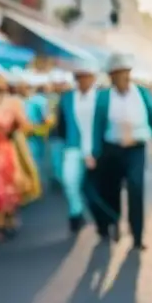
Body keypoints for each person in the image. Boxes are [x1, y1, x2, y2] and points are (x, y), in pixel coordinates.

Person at [91, 53, 152, 249]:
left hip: (136, 150)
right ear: (111, 77)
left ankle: (138, 236)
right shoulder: (104, 96)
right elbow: (97, 125)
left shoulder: (141, 92)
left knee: (136, 188)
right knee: (111, 190)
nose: (122, 78)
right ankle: (114, 222)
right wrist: (95, 152)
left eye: (125, 73)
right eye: (117, 74)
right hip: (112, 149)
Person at [0, 66, 29, 241]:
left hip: (4, 147)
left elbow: (23, 124)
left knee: (6, 184)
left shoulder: (12, 103)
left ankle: (5, 220)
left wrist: (8, 129)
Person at [57, 60, 102, 234]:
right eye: (80, 77)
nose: (83, 80)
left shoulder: (100, 96)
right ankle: (76, 212)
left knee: (96, 187)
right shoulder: (67, 97)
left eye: (87, 77)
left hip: (95, 148)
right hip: (73, 146)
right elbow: (62, 123)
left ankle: (102, 219)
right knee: (69, 181)